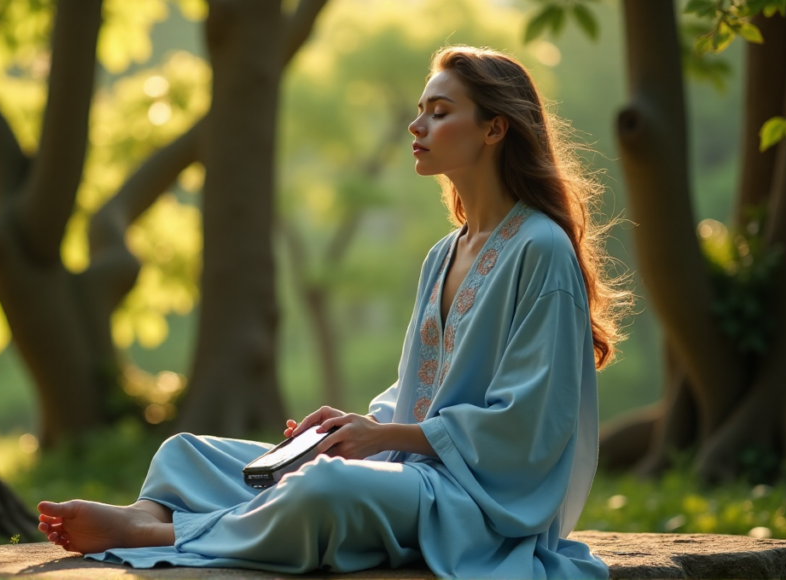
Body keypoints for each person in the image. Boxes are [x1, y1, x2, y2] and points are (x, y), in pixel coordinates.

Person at [36, 45, 630, 579]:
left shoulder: (542, 249)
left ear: (494, 128)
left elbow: (530, 426)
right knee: (189, 451)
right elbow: (420, 389)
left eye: (440, 111)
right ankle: (145, 511)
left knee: (324, 488)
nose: (416, 124)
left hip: (474, 504)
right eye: (421, 108)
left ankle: (160, 534)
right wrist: (352, 428)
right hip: (409, 473)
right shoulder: (445, 253)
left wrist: (384, 438)